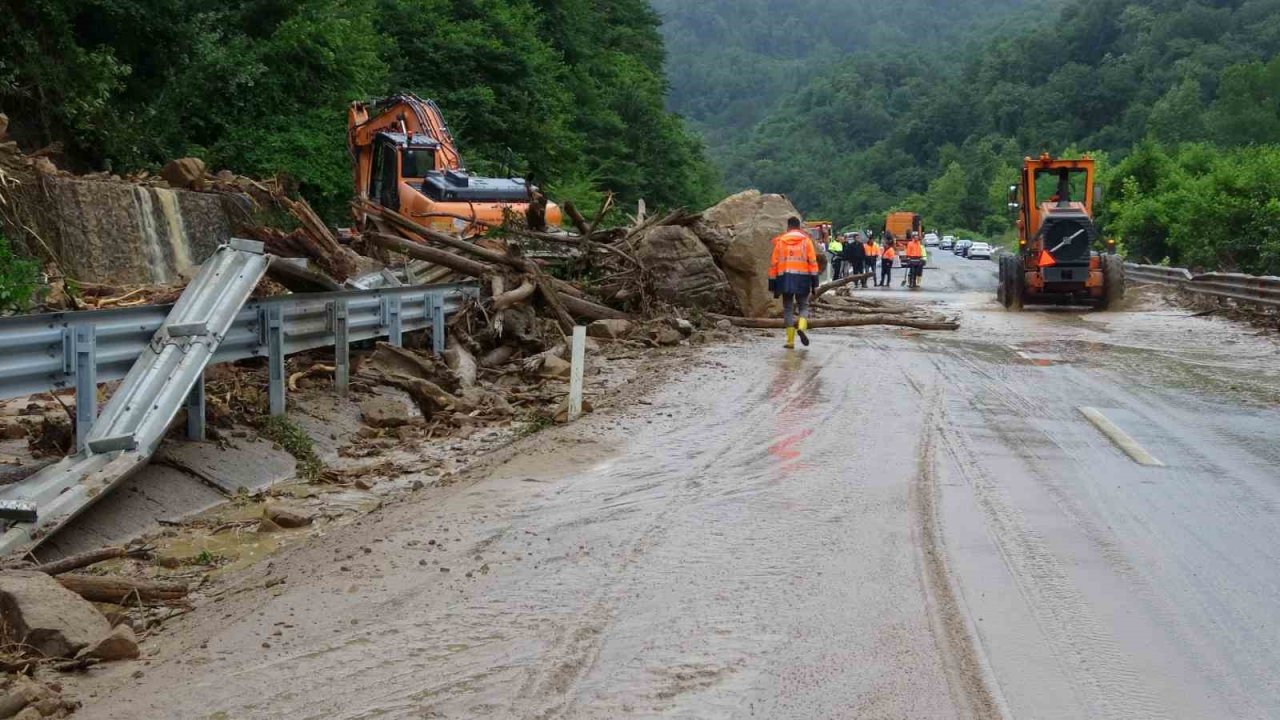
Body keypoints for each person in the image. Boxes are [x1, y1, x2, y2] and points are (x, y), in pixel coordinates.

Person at [769, 217, 820, 349]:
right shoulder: (806, 241)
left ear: (788, 227)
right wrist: (815, 283)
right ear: (799, 227)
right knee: (803, 306)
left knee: (788, 308)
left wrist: (773, 284)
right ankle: (802, 327)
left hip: (784, 279)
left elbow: (773, 264)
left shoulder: (780, 242)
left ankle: (790, 341)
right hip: (803, 278)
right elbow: (813, 262)